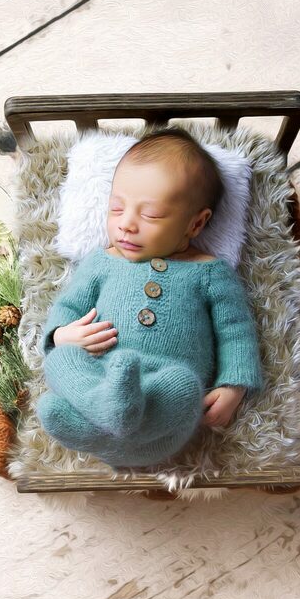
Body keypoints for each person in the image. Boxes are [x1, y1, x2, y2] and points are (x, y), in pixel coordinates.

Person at [35, 127, 264, 468]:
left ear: (196, 224)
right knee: (61, 359)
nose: (126, 224)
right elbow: (69, 305)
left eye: (150, 215)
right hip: (101, 376)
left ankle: (108, 429)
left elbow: (236, 331)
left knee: (184, 387)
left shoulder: (210, 272)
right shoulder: (102, 262)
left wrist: (234, 386)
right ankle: (105, 412)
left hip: (163, 393)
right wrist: (61, 335)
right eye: (116, 209)